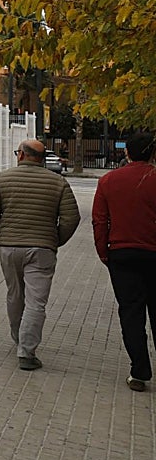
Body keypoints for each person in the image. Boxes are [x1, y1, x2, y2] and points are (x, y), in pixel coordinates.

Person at [0, 138, 81, 371]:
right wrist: (54, 240)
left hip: (9, 247)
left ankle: (18, 337)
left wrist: (4, 232)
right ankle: (26, 351)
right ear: (42, 158)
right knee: (37, 301)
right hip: (42, 249)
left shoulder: (2, 179)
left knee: (15, 294)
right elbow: (71, 218)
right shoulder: (58, 182)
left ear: (22, 155)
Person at [92, 132, 156, 392]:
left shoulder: (108, 181)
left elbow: (99, 221)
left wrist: (104, 252)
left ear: (127, 153)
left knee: (131, 312)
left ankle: (139, 371)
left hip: (122, 253)